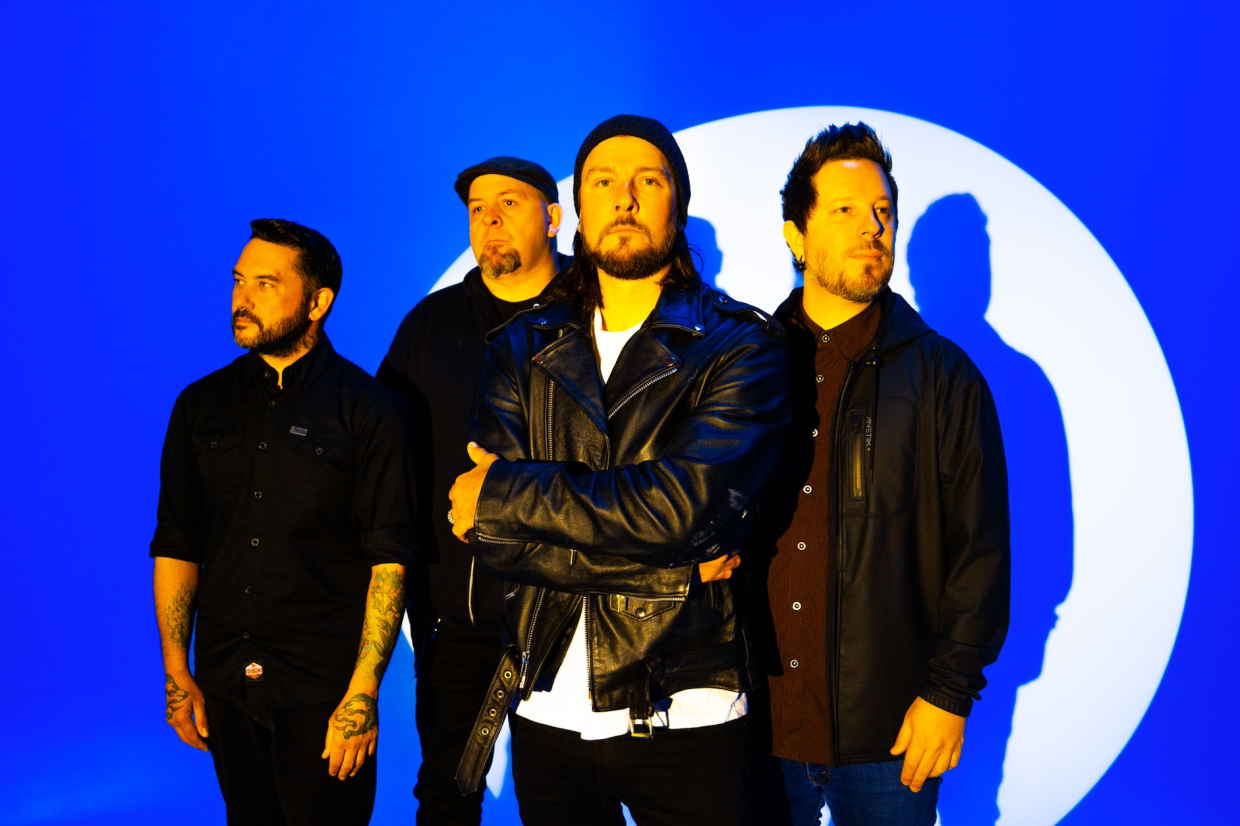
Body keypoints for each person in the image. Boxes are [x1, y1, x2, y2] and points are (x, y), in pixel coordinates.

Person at [447, 115, 791, 826]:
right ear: (577, 208)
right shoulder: (519, 344)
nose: (625, 198)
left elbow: (682, 510)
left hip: (688, 706)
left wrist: (512, 493)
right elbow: (491, 536)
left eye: (648, 181)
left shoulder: (741, 345)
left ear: (679, 204)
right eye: (603, 182)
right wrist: (670, 573)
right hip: (544, 709)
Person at [750, 123, 1011, 826]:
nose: (873, 227)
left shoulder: (947, 379)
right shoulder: (742, 369)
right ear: (794, 236)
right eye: (845, 210)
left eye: (884, 212)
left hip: (894, 738)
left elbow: (980, 559)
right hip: (755, 726)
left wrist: (949, 695)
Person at [151, 219, 417, 826]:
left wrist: (362, 696)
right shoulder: (199, 405)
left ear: (318, 302)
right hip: (224, 683)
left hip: (322, 694)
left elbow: (390, 557)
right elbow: (176, 541)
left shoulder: (371, 410)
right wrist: (177, 670)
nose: (243, 298)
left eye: (266, 283)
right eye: (240, 280)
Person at [376, 156, 568, 825]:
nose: (488, 220)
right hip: (456, 620)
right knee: (448, 795)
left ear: (554, 216)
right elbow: (383, 455)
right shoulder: (430, 325)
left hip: (575, 616)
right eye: (477, 208)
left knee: (569, 799)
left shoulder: (601, 311)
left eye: (508, 203)